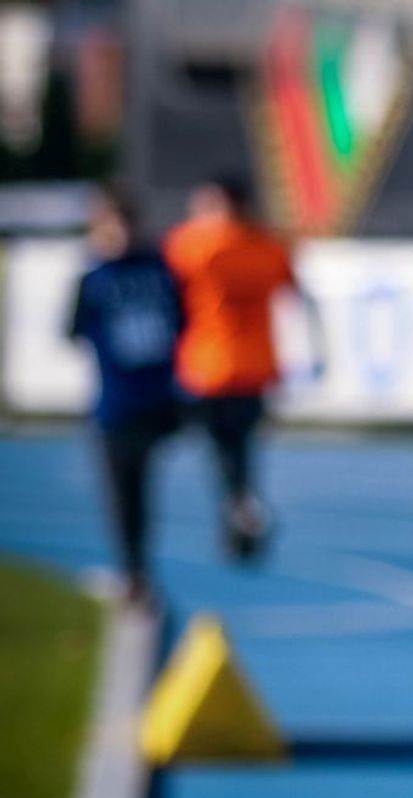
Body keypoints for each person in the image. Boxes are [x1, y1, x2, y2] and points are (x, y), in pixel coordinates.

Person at [163, 174, 297, 562]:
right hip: (256, 365)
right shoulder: (268, 246)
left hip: (210, 364)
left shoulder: (195, 244)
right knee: (241, 447)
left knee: (220, 447)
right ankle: (242, 509)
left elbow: (169, 283)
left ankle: (238, 511)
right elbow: (291, 288)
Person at [69, 186, 185, 605]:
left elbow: (185, 323)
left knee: (135, 493)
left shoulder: (157, 270)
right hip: (117, 403)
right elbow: (73, 331)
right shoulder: (95, 278)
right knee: (124, 496)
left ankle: (136, 574)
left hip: (153, 402)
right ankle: (134, 573)